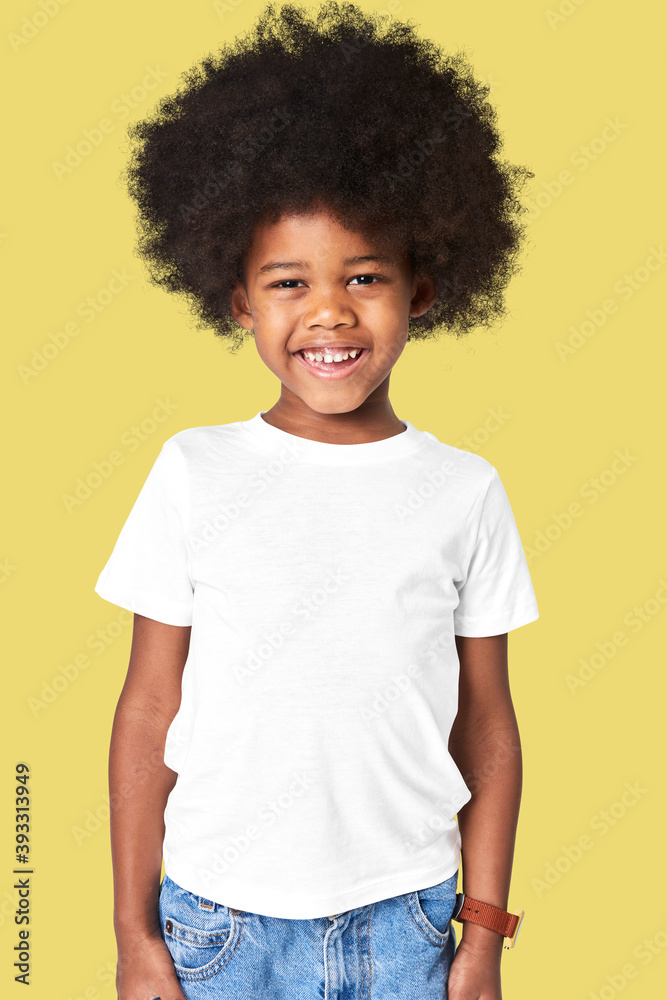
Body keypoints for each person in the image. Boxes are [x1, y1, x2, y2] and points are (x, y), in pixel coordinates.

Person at [93, 4, 539, 998]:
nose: (329, 312)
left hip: (409, 925)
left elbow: (488, 724)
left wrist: (481, 933)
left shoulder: (463, 490)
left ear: (423, 289)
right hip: (215, 925)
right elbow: (146, 710)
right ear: (239, 298)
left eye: (365, 276)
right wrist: (134, 934)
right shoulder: (191, 470)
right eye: (288, 281)